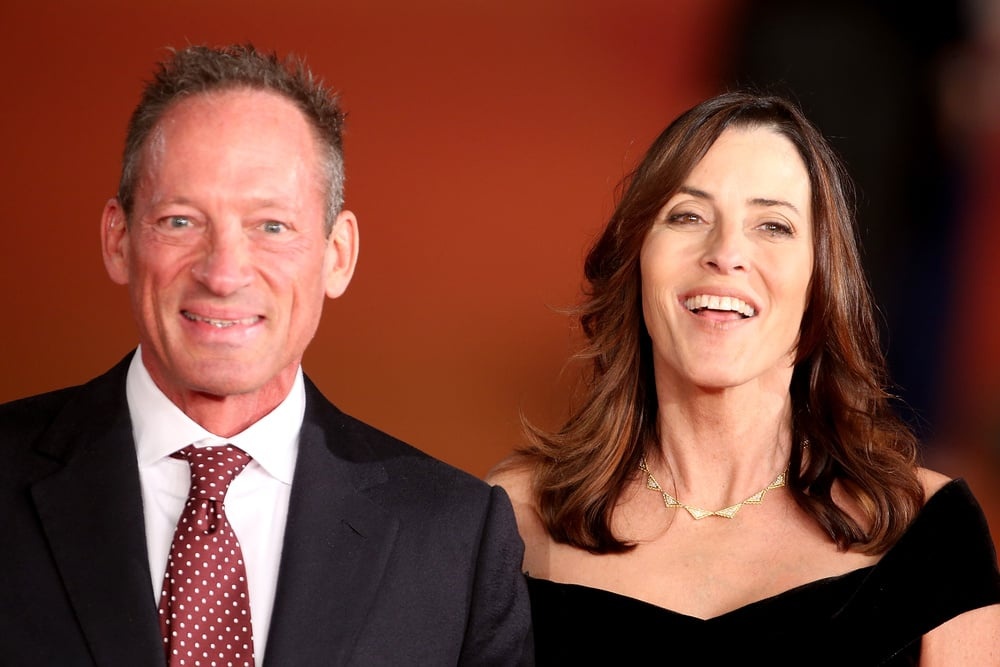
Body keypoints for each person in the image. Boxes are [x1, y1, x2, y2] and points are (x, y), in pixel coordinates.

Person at [1, 44, 532, 666]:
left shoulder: (455, 537)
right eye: (180, 221)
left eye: (271, 227)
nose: (223, 274)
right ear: (119, 240)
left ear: (338, 254)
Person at [489, 91, 1000, 664]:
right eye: (688, 216)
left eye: (773, 225)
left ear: (821, 281)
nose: (726, 252)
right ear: (635, 262)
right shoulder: (514, 516)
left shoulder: (929, 530)